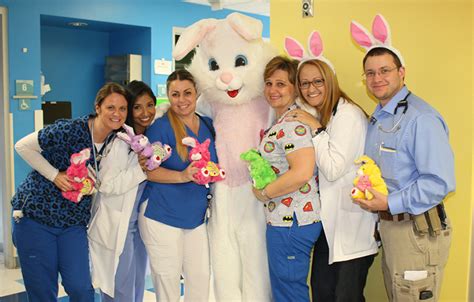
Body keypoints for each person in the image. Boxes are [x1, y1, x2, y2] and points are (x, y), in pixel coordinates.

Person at [351, 15, 455, 302]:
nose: (377, 78)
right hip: (392, 229)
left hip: (417, 232)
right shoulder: (381, 118)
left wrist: (389, 203)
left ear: (402, 72)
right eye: (370, 73)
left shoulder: (420, 119)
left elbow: (439, 183)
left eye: (385, 70)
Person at [11, 82, 129, 302]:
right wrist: (55, 175)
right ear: (98, 107)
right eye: (111, 107)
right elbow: (22, 146)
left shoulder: (119, 140)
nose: (117, 113)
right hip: (36, 218)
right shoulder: (70, 130)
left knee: (81, 288)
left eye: (122, 109)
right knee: (43, 292)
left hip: (73, 223)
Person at [285, 32, 378, 301]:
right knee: (323, 293)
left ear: (330, 81)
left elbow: (333, 168)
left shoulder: (347, 114)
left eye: (318, 81)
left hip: (352, 231)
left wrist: (315, 128)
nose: (311, 89)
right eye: (304, 83)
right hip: (330, 227)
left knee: (344, 297)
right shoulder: (329, 113)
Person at [138, 69, 214, 302]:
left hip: (196, 216)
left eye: (187, 93)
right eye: (175, 94)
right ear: (168, 96)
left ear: (197, 93)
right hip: (162, 215)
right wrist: (182, 176)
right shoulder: (160, 128)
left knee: (200, 280)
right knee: (168, 283)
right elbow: (149, 170)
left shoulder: (208, 125)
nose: (182, 100)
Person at [252, 56, 322, 302]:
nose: (273, 90)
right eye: (269, 83)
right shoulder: (281, 120)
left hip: (291, 220)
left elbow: (302, 172)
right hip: (285, 219)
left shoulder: (293, 124)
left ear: (294, 87)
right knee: (285, 290)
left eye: (281, 84)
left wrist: (264, 192)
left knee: (290, 292)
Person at [88, 81, 158, 301]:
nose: (145, 113)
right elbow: (106, 185)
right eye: (137, 107)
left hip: (139, 226)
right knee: (120, 288)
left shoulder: (152, 137)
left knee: (137, 285)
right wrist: (142, 168)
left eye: (150, 105)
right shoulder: (119, 142)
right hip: (120, 226)